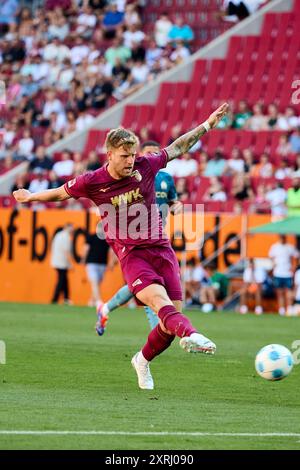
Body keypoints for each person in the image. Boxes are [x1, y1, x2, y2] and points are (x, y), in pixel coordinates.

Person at [13, 102, 228, 390]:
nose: (130, 161)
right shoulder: (93, 181)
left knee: (168, 321)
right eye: (125, 156)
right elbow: (60, 193)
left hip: (162, 249)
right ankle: (193, 333)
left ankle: (141, 360)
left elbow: (177, 148)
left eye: (132, 155)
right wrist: (30, 198)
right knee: (161, 305)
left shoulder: (146, 165)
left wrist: (206, 125)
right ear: (110, 154)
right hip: (132, 255)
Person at [96, 140, 183, 334]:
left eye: (155, 152)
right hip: (135, 240)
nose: (152, 156)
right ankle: (158, 330)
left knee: (137, 285)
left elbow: (174, 202)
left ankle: (105, 308)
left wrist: (177, 206)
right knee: (148, 283)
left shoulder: (166, 179)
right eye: (148, 153)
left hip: (158, 238)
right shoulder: (131, 177)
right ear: (140, 155)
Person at [81, 225, 112, 307]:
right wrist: (84, 259)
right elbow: (86, 248)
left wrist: (111, 262)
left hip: (102, 264)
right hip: (92, 263)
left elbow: (110, 251)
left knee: (97, 283)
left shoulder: (107, 239)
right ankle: (99, 301)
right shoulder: (91, 237)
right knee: (94, 282)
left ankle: (91, 301)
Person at [269, 235, 299, 316]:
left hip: (287, 273)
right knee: (280, 292)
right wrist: (273, 265)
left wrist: (293, 268)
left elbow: (296, 256)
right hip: (278, 273)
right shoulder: (274, 247)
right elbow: (271, 257)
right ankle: (281, 310)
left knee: (289, 292)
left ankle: (289, 309)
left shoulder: (290, 247)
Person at [50, 223, 74, 304]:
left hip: (56, 261)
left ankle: (66, 298)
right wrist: (70, 264)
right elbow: (66, 251)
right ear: (67, 227)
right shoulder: (66, 237)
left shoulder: (58, 235)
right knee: (61, 280)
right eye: (71, 228)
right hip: (62, 262)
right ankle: (55, 299)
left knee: (64, 280)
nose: (72, 230)